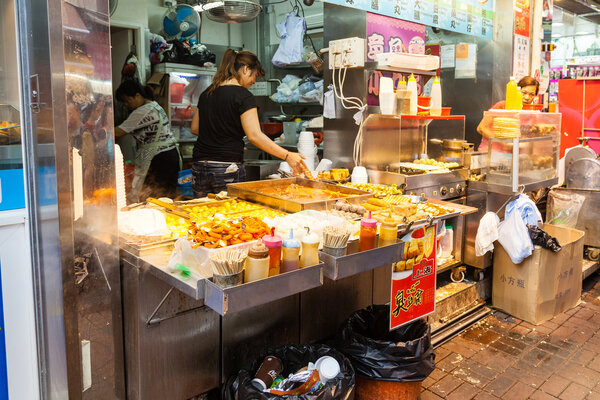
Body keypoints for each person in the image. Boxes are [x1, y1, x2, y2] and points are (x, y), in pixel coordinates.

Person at [190, 48, 307, 197]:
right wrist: (287, 155)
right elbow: (254, 136)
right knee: (230, 216)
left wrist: (223, 136)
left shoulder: (207, 93)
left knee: (202, 214)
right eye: (255, 76)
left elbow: (195, 128)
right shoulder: (243, 96)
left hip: (199, 167)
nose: (253, 81)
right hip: (227, 168)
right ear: (246, 69)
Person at [115, 80, 181, 202]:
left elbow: (119, 132)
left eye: (127, 100)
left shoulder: (143, 111)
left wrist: (99, 132)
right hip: (170, 155)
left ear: (138, 96)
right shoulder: (154, 106)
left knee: (155, 198)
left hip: (161, 158)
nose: (126, 104)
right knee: (166, 197)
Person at [477, 76, 540, 151]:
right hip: (490, 153)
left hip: (513, 156)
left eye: (531, 94)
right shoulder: (502, 106)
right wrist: (503, 142)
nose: (527, 97)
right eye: (524, 93)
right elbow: (481, 128)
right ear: (517, 90)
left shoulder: (532, 114)